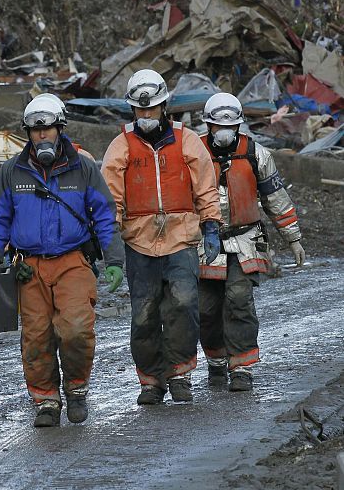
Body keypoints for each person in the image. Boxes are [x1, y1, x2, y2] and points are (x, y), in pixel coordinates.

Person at [0, 94, 125, 428]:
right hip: (28, 267)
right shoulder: (12, 171)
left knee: (76, 329)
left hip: (73, 261)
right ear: (28, 133)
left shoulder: (83, 167)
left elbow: (104, 214)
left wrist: (114, 259)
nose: (42, 134)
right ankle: (46, 399)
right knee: (36, 337)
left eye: (47, 128)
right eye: (36, 130)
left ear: (60, 128)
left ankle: (76, 390)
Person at [101, 69, 222, 405]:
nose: (146, 114)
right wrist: (110, 243)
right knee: (144, 314)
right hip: (138, 242)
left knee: (183, 304)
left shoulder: (187, 140)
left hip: (181, 238)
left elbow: (206, 187)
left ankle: (180, 374)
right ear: (132, 109)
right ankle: (151, 381)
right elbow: (110, 198)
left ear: (164, 105)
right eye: (140, 109)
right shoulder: (121, 145)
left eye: (151, 108)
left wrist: (211, 225)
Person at [198, 93, 306, 391]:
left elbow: (275, 197)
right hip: (203, 241)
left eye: (230, 126)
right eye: (218, 126)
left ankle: (241, 367)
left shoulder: (256, 154)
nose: (224, 132)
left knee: (239, 300)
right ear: (207, 125)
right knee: (206, 307)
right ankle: (216, 360)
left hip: (245, 240)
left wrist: (293, 238)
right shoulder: (193, 153)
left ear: (238, 125)